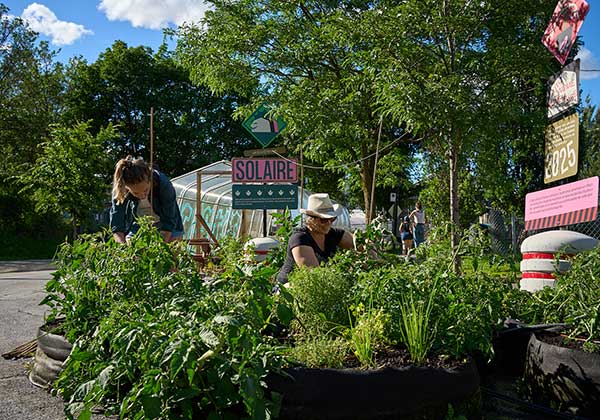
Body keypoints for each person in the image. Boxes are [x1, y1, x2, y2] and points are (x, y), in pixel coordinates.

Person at [276, 193, 354, 284]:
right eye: (323, 220)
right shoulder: (300, 238)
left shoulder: (332, 234)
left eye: (332, 219)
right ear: (311, 219)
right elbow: (314, 273)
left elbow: (360, 241)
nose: (329, 223)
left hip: (319, 287)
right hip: (290, 289)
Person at [110, 156, 184, 244]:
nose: (142, 195)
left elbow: (169, 220)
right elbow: (117, 224)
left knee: (172, 250)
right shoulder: (120, 189)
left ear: (150, 180)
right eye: (136, 193)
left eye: (145, 190)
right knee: (133, 250)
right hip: (140, 225)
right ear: (127, 188)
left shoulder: (163, 184)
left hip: (169, 224)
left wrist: (161, 247)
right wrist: (122, 248)